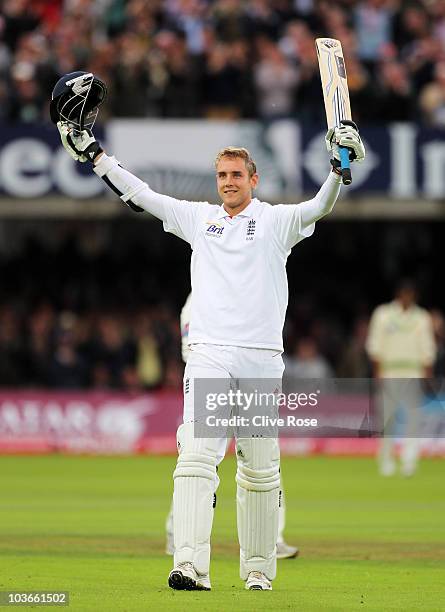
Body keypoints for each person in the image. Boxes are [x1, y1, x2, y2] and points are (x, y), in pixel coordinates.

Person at [53, 70, 365, 592]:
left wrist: (340, 166)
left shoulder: (276, 221)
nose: (227, 182)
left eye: (236, 175)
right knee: (196, 458)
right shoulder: (198, 219)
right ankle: (189, 566)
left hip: (262, 357)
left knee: (260, 471)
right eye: (221, 175)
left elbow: (321, 206)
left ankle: (259, 572)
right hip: (211, 354)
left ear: (254, 179)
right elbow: (142, 196)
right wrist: (95, 156)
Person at [165, 293, 299, 560]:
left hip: (248, 384)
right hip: (213, 388)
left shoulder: (245, 288)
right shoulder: (197, 299)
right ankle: (176, 533)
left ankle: (273, 538)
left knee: (264, 459)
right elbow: (190, 351)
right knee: (198, 461)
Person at [366, 280, 436, 476]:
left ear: (414, 296)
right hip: (389, 371)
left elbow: (427, 349)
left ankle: (409, 461)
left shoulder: (422, 318)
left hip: (414, 372)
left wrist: (427, 375)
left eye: (410, 294)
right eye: (404, 293)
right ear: (398, 294)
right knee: (387, 418)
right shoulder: (383, 314)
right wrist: (377, 372)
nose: (407, 297)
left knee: (413, 420)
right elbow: (375, 346)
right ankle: (386, 460)